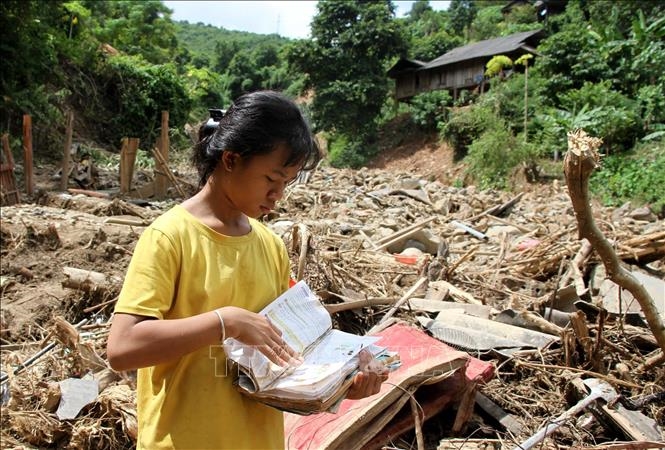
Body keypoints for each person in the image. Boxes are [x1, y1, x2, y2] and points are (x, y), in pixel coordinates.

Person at [106, 90, 387, 450]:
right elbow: (123, 348)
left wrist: (344, 382)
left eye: (286, 183)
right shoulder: (170, 237)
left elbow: (287, 357)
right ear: (231, 159)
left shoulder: (269, 246)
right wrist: (226, 323)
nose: (278, 195)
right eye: (271, 179)